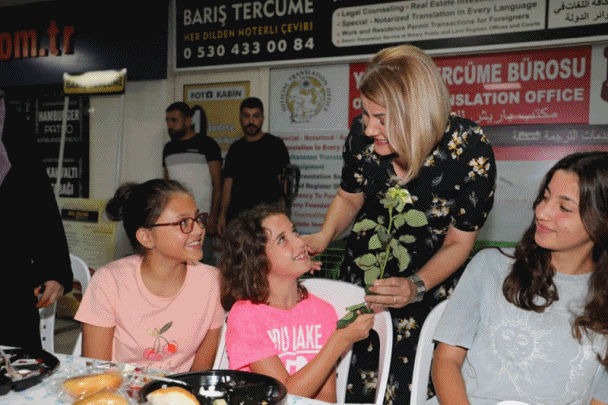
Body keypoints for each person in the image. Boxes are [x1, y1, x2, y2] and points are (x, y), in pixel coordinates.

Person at [303, 44, 497, 404]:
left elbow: (459, 242)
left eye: (381, 118)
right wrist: (324, 235)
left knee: (407, 386)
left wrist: (415, 285)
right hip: (364, 282)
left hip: (428, 289)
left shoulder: (469, 148)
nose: (368, 127)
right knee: (349, 383)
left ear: (416, 113)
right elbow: (349, 196)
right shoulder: (361, 137)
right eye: (365, 114)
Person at [431, 151, 608, 405]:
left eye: (565, 208)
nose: (542, 212)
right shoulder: (491, 266)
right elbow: (446, 360)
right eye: (544, 197)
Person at [219, 203, 374, 402]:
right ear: (257, 259)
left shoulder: (322, 311)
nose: (300, 242)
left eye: (294, 232)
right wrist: (340, 340)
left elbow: (327, 398)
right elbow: (281, 396)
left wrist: (339, 339)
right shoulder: (245, 316)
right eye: (282, 239)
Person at [75, 179, 224, 372]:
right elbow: (98, 372)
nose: (198, 230)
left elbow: (200, 375)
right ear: (147, 237)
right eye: (183, 222)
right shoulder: (109, 282)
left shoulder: (212, 283)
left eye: (197, 218)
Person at [0, 89, 73, 350]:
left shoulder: (11, 124)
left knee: (16, 360)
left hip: (8, 272)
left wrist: (53, 269)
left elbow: (38, 198)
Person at [218, 97, 290, 234]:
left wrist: (283, 212)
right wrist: (222, 215)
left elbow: (284, 183)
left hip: (267, 218)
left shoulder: (275, 145)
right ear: (240, 118)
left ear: (262, 118)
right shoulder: (235, 149)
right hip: (238, 219)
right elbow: (228, 183)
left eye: (256, 116)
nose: (251, 121)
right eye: (246, 116)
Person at [164, 102, 222, 265]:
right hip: (176, 220)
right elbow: (167, 185)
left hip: (202, 219)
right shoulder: (168, 148)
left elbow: (217, 183)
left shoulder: (207, 144)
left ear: (188, 121)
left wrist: (214, 216)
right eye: (167, 120)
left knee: (203, 264)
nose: (169, 125)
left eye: (174, 120)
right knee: (179, 264)